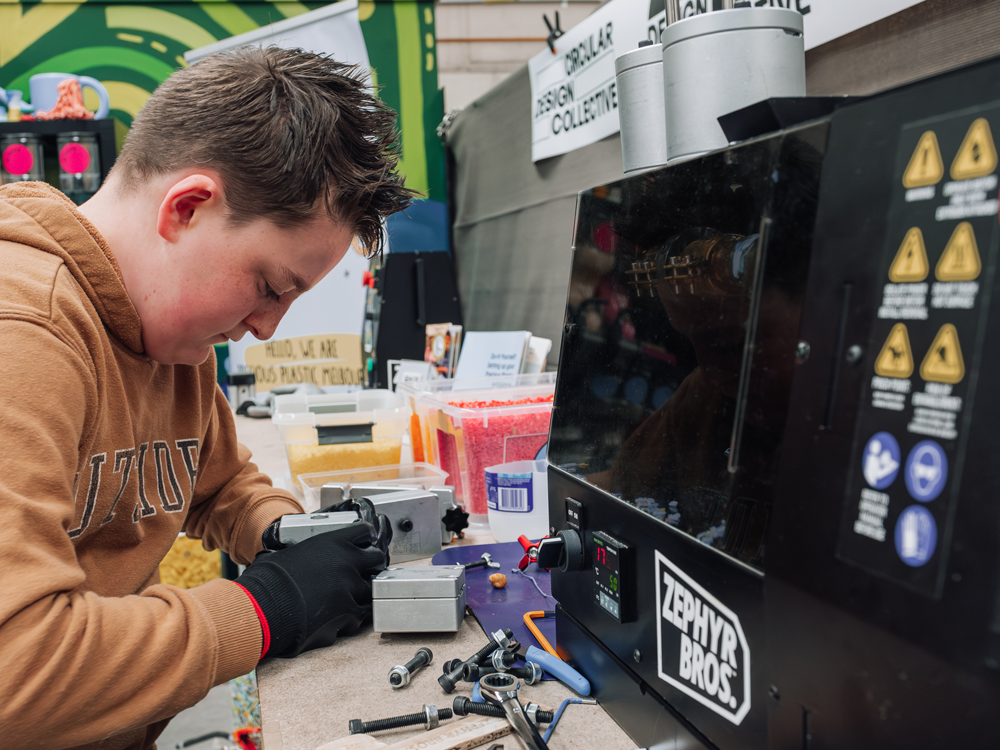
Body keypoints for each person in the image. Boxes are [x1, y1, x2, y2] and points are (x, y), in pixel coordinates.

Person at [0, 46, 415, 750]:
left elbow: (217, 484)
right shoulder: (26, 337)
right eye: (270, 287)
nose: (264, 329)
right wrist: (265, 607)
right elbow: (17, 668)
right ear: (187, 208)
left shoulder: (169, 337)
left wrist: (288, 535)